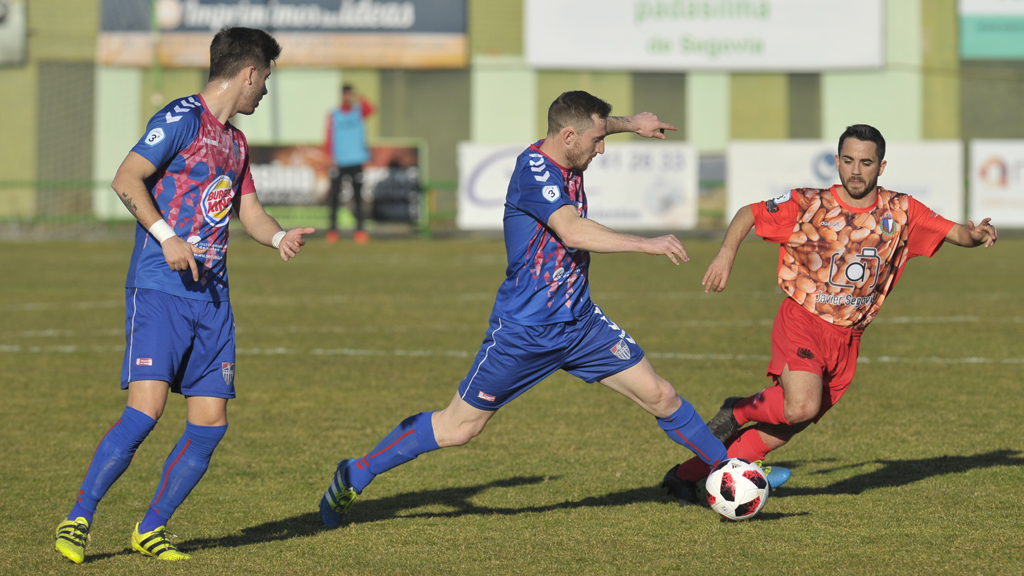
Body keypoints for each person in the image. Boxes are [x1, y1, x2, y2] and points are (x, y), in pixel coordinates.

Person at [319, 90, 730, 526]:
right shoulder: (534, 171)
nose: (602, 148)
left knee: (660, 394)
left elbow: (594, 124)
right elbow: (571, 231)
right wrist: (645, 243)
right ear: (568, 136)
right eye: (596, 142)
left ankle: (730, 472)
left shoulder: (574, 144)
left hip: (581, 324)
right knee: (459, 429)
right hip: (524, 332)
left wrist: (631, 123)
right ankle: (354, 472)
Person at [54, 27, 315, 563]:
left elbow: (248, 211)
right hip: (160, 288)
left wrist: (277, 236)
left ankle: (152, 528)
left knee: (210, 424)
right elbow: (127, 178)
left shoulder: (236, 143)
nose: (265, 88)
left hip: (212, 299)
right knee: (145, 411)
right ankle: (79, 516)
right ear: (248, 72)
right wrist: (168, 237)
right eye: (265, 76)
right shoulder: (181, 118)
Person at [662, 124, 998, 504]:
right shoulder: (809, 203)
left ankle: (686, 476)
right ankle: (738, 409)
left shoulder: (902, 211)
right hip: (803, 319)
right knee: (801, 404)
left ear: (881, 167)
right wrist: (725, 255)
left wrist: (976, 235)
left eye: (866, 162)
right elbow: (748, 214)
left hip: (849, 337)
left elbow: (956, 233)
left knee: (790, 424)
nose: (856, 170)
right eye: (849, 161)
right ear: (837, 161)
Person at [324, 84, 375, 244]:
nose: (347, 97)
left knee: (358, 198)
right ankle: (332, 230)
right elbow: (329, 136)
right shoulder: (335, 114)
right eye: (345, 94)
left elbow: (371, 108)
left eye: (349, 94)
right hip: (339, 162)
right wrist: (329, 157)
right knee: (335, 198)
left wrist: (357, 96)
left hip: (357, 160)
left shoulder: (358, 112)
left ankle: (360, 230)